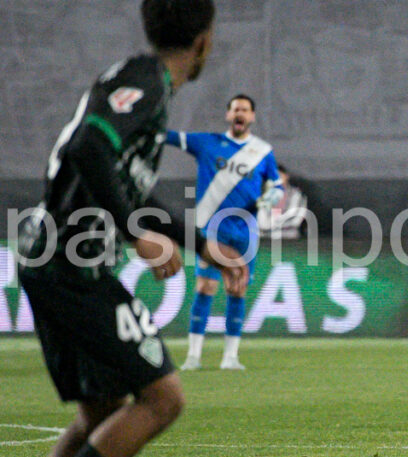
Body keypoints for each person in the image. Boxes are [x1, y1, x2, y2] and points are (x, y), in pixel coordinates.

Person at [16, 2, 248, 457]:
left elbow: (126, 186)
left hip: (52, 258)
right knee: (163, 399)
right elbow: (90, 147)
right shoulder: (147, 82)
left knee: (102, 412)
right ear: (204, 41)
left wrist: (201, 244)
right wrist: (135, 234)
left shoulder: (139, 79)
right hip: (70, 267)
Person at [165, 94, 283, 371]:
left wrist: (270, 198)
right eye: (235, 109)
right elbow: (170, 137)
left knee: (237, 289)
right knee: (205, 286)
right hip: (212, 230)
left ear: (252, 116)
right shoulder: (206, 143)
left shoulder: (263, 151)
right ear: (228, 115)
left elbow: (277, 185)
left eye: (245, 110)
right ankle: (193, 356)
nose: (239, 114)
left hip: (245, 232)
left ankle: (230, 357)